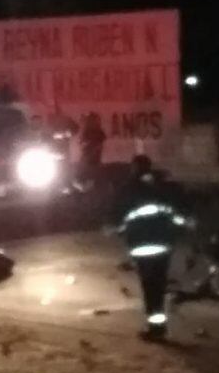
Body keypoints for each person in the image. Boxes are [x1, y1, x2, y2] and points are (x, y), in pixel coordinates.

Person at [113, 155, 190, 341]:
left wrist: (116, 228)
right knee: (159, 285)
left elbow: (117, 219)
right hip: (163, 245)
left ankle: (155, 328)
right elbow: (178, 214)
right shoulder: (161, 188)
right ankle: (159, 326)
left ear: (134, 168)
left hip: (142, 246)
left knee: (150, 288)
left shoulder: (128, 190)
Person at [76, 112, 106, 191]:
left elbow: (82, 144)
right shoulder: (93, 133)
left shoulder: (96, 133)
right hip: (90, 160)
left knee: (89, 180)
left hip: (91, 160)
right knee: (89, 180)